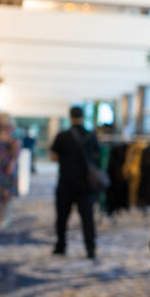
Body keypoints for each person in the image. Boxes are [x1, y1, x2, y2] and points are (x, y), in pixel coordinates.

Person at [49, 106, 99, 258]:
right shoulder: (91, 136)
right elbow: (96, 157)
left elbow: (53, 157)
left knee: (62, 217)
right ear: (83, 117)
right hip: (86, 184)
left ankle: (61, 246)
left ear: (70, 117)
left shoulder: (62, 136)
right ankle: (90, 248)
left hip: (66, 182)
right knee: (88, 219)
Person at [0, 113, 20, 228]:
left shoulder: (13, 133)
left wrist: (12, 164)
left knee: (7, 194)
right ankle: (0, 217)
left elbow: (16, 151)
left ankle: (6, 217)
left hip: (7, 166)